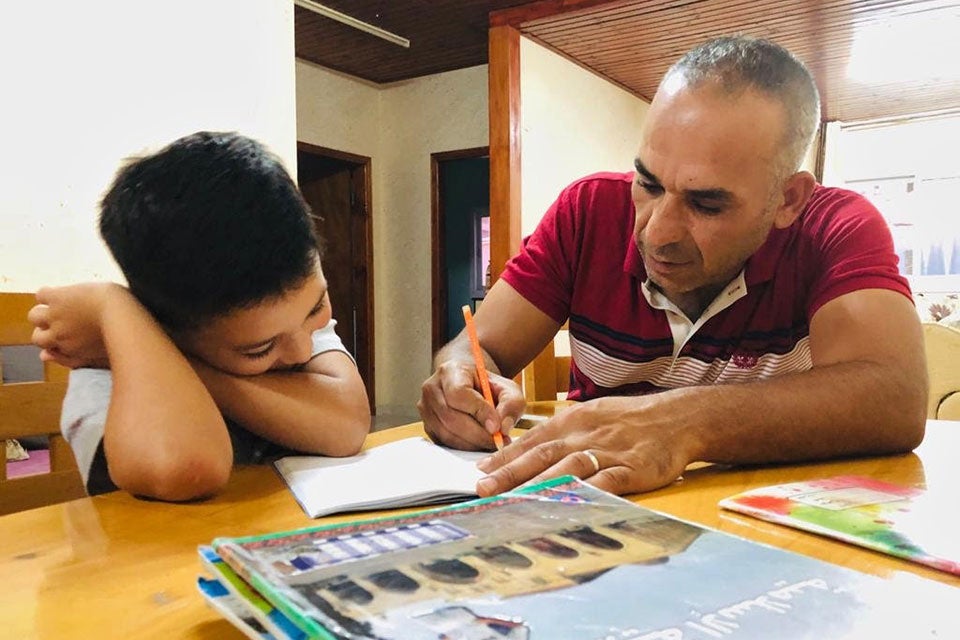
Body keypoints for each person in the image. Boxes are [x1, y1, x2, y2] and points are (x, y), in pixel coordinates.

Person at [418, 36, 928, 499]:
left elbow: (894, 396)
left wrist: (684, 422)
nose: (656, 233)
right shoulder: (587, 212)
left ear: (787, 200)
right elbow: (481, 346)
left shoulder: (835, 229)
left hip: (752, 523)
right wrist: (459, 378)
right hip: (585, 508)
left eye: (706, 204)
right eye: (648, 183)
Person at [29, 132, 371, 501]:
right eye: (258, 350)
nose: (302, 351)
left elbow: (347, 425)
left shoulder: (288, 321)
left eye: (318, 307)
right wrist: (112, 305)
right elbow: (185, 472)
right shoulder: (109, 369)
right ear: (166, 328)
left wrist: (192, 367)